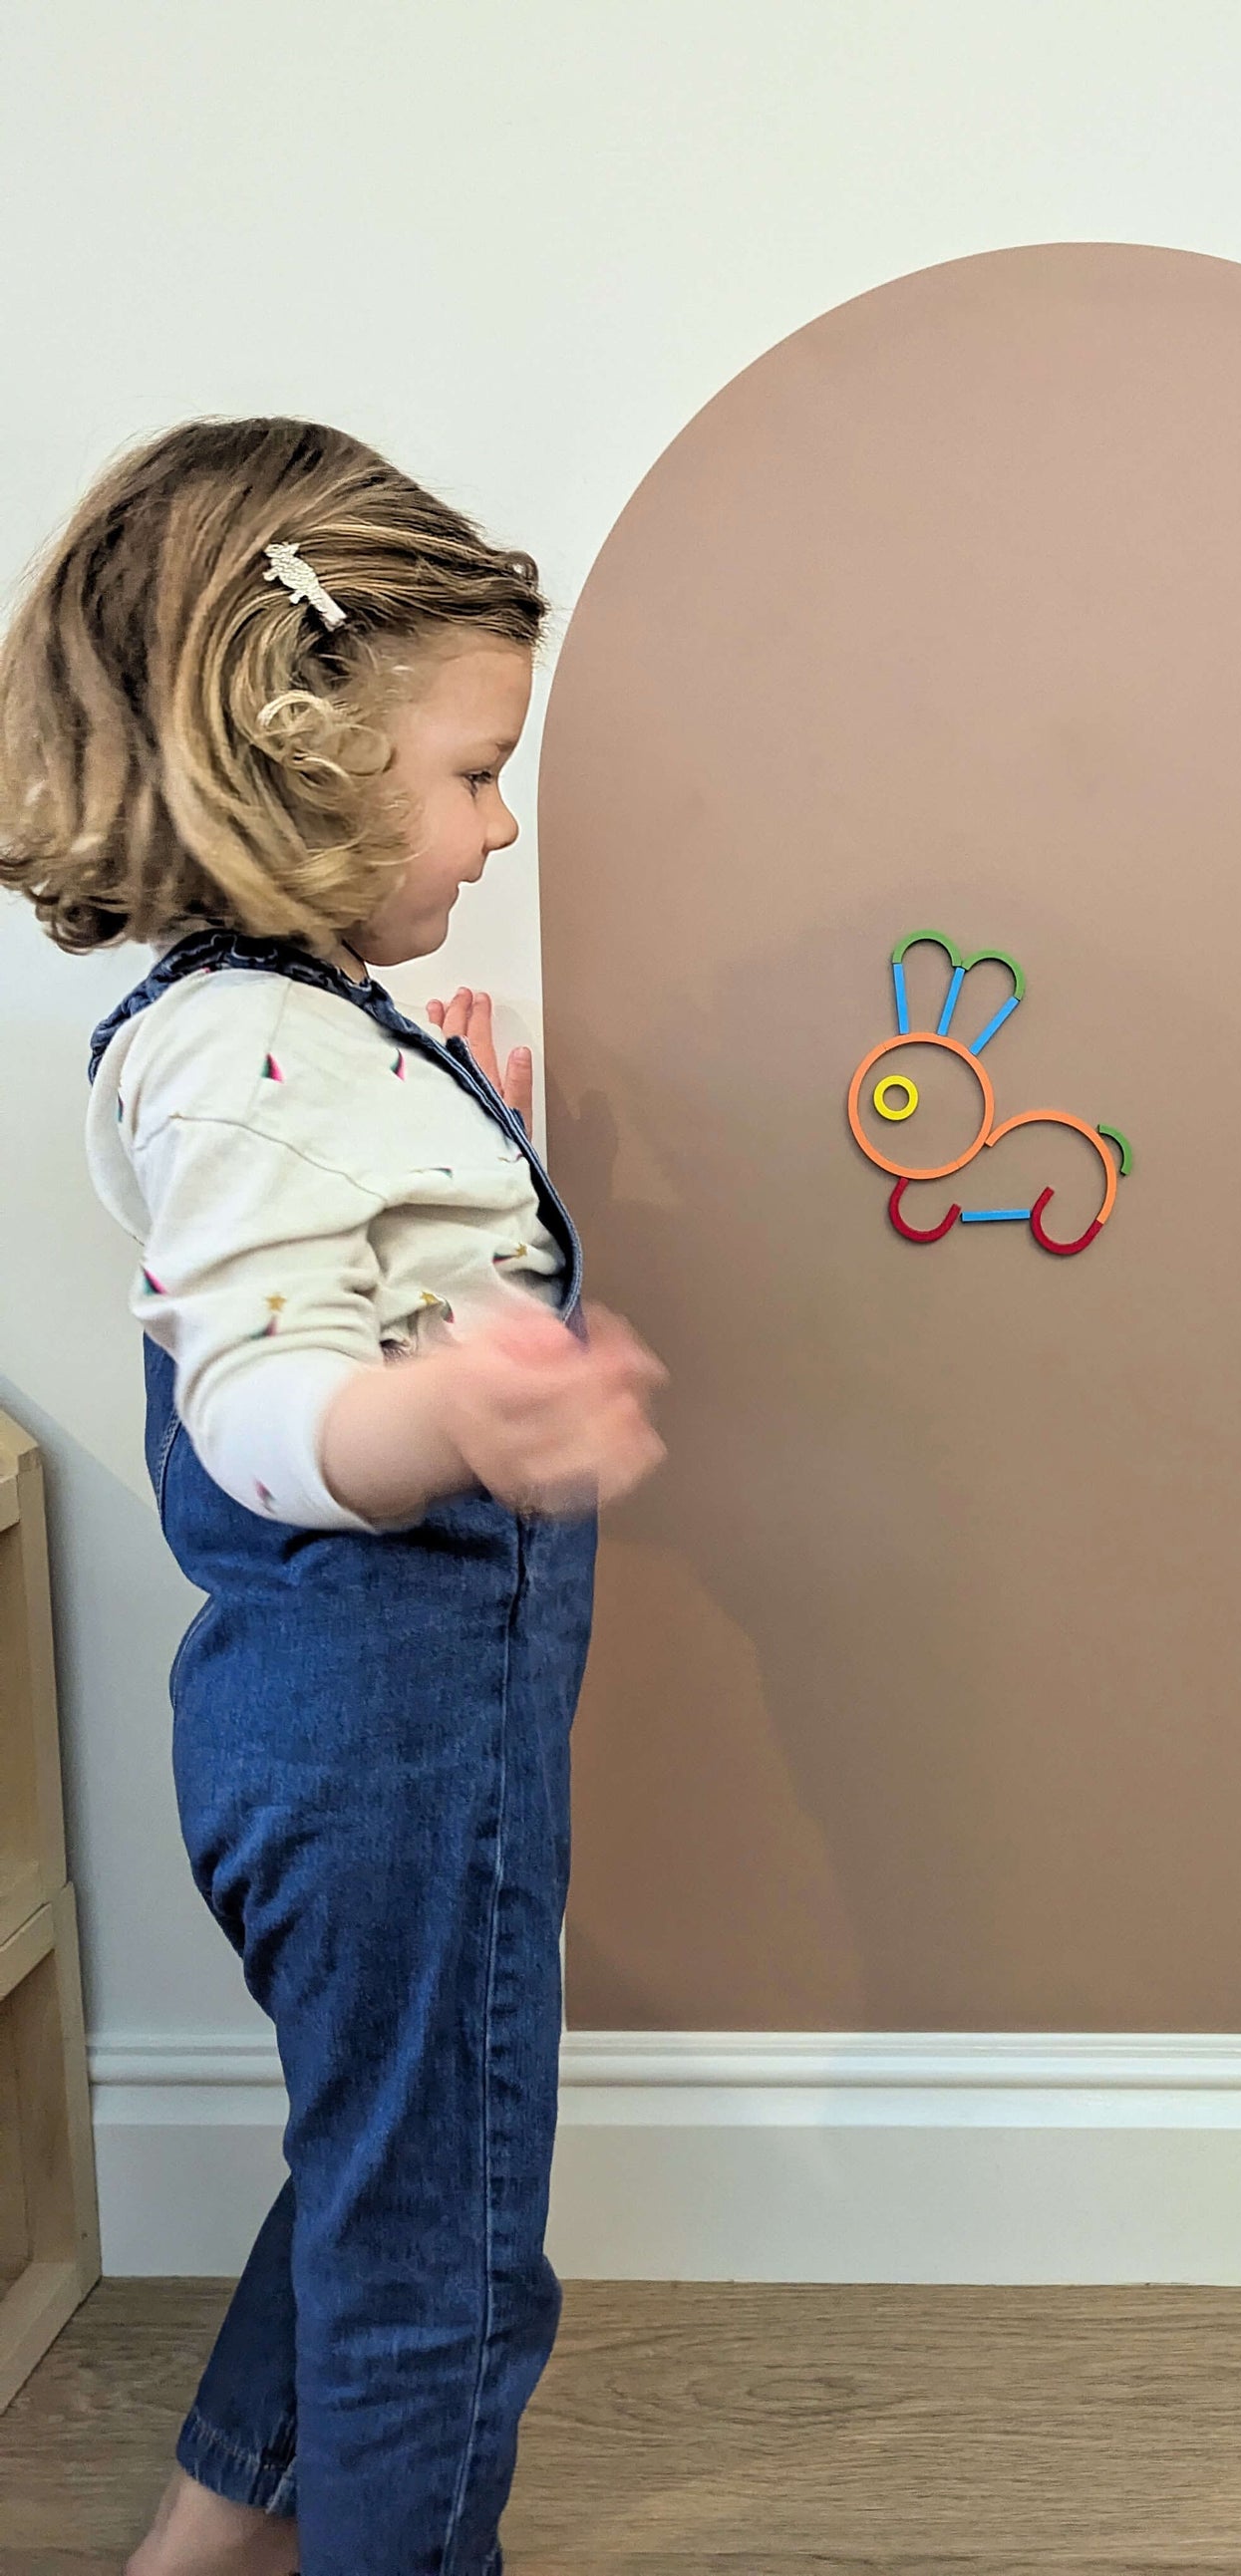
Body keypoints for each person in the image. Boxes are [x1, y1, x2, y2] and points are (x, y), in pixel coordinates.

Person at [0, 417, 666, 2576]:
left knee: (392, 2164)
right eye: (474, 770)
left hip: (352, 1738)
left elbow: (319, 1238)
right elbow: (267, 1411)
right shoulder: (260, 1061)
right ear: (299, 763)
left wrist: (450, 1105)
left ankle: (208, 2541)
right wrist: (449, 1419)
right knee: (445, 2267)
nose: (501, 819)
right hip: (391, 1741)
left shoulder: (287, 1029)